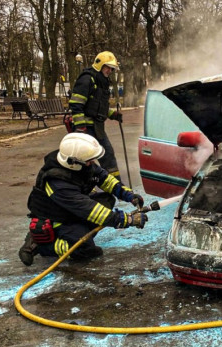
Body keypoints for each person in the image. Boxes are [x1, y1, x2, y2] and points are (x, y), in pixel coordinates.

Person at [18, 133, 147, 266]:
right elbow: (91, 210)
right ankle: (42, 246)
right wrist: (127, 220)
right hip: (57, 218)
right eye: (89, 161)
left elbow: (103, 178)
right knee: (85, 250)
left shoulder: (81, 164)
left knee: (107, 200)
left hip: (71, 209)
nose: (92, 163)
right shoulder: (58, 183)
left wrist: (128, 195)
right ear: (73, 163)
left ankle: (77, 232)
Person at [68, 51, 123, 179]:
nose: (110, 70)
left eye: (111, 68)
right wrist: (81, 128)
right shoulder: (87, 79)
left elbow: (99, 107)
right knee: (86, 158)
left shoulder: (102, 81)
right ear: (100, 65)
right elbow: (76, 104)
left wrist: (113, 114)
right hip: (86, 127)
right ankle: (87, 189)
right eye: (108, 67)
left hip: (97, 126)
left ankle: (116, 184)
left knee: (107, 154)